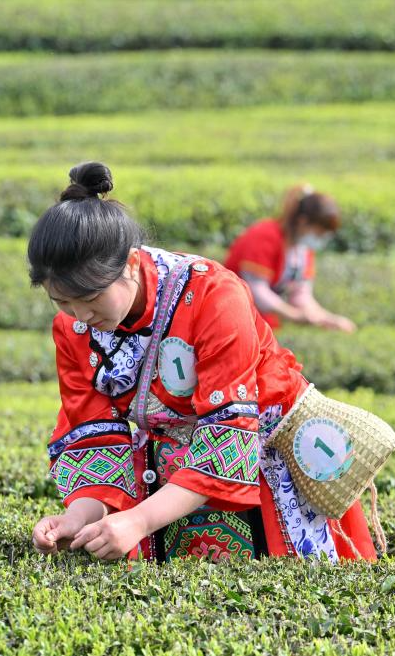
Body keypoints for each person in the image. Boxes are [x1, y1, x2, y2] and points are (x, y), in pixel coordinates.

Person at [29, 162, 376, 562]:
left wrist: (139, 521)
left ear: (129, 263)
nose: (81, 316)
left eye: (90, 299)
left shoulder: (213, 294)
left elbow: (227, 438)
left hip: (264, 455)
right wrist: (78, 515)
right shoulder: (72, 329)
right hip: (169, 478)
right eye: (62, 302)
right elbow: (94, 434)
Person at [224, 184, 356, 333]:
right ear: (303, 221)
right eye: (319, 233)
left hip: (262, 325)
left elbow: (301, 295)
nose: (321, 239)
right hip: (232, 317)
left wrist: (328, 319)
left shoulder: (303, 249)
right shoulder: (264, 235)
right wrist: (293, 315)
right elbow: (256, 290)